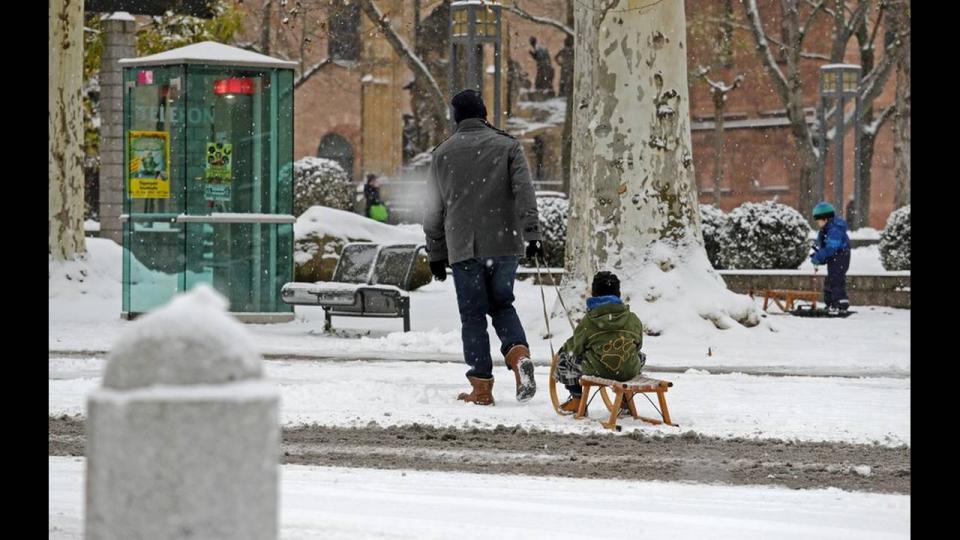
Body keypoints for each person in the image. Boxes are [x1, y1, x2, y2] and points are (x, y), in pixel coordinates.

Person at [423, 89, 543, 406]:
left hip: (464, 247)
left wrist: (436, 253)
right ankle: (518, 355)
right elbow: (524, 192)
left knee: (473, 315)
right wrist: (532, 234)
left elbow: (433, 209)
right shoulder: (508, 146)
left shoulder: (442, 153)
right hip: (504, 243)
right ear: (484, 113)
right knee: (502, 304)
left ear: (456, 116)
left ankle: (481, 388)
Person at [553, 271, 646, 415]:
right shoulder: (632, 319)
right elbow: (638, 345)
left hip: (597, 371)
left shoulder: (589, 321)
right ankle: (625, 399)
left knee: (565, 358)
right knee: (641, 356)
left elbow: (575, 348)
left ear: (594, 293)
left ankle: (577, 399)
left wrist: (564, 349)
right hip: (628, 371)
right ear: (618, 293)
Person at [810, 201, 851, 315]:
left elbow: (831, 248)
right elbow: (826, 249)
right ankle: (831, 304)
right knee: (829, 281)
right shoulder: (826, 229)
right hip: (835, 257)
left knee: (836, 280)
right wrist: (819, 256)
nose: (818, 223)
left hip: (841, 257)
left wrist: (820, 256)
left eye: (818, 220)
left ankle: (841, 304)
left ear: (825, 219)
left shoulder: (835, 230)